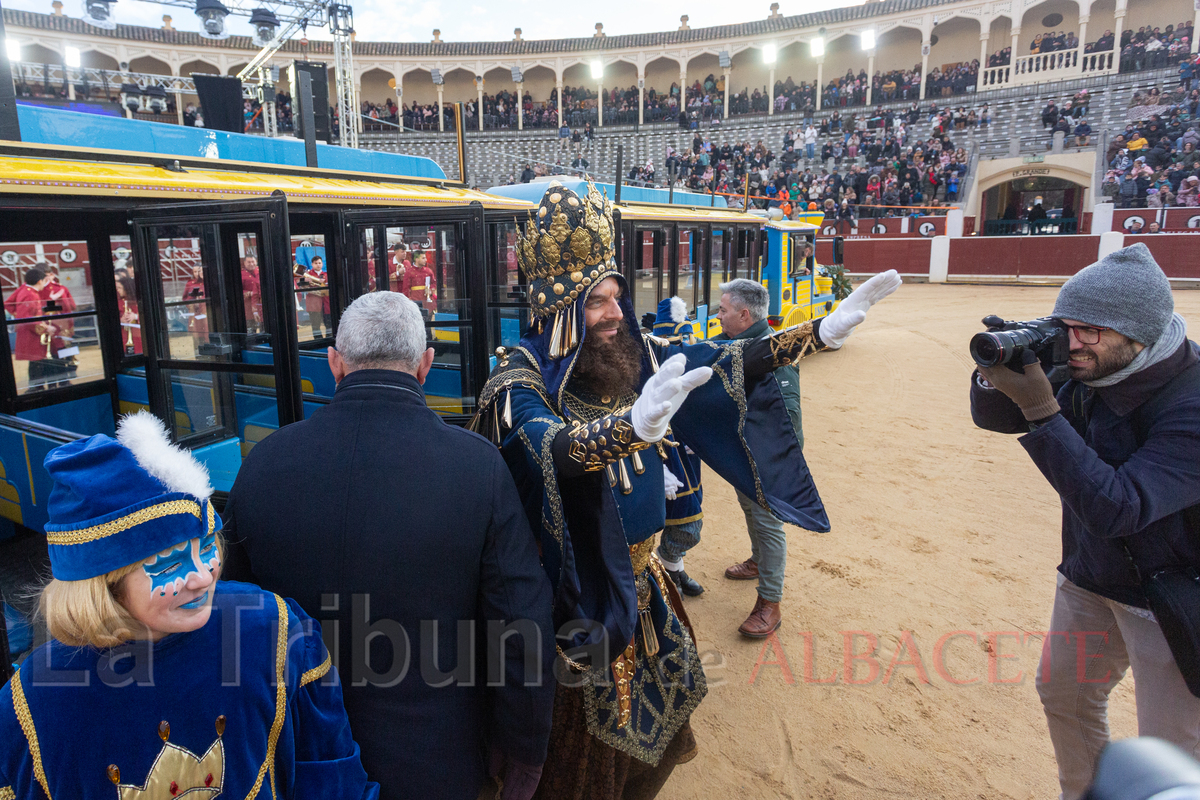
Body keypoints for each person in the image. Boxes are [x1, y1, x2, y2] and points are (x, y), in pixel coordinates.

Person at [471, 181, 900, 799]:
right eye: (597, 301)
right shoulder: (520, 370)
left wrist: (815, 335)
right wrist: (628, 430)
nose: (616, 312)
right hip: (576, 601)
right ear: (561, 307)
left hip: (648, 586)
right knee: (575, 765)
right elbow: (542, 443)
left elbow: (715, 361)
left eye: (617, 294)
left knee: (662, 734)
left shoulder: (633, 350)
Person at [221, 291, 555, 800]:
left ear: (334, 363)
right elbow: (519, 621)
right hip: (437, 760)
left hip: (295, 756)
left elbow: (236, 613)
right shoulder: (478, 466)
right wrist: (525, 744)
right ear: (425, 365)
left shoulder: (263, 463)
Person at [0, 411, 378, 799]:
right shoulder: (32, 701)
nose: (203, 576)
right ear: (102, 586)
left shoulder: (274, 628)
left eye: (209, 546)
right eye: (169, 563)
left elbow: (332, 776)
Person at [970, 244, 1200, 800]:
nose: (1073, 343)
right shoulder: (1093, 362)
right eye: (1065, 326)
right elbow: (994, 416)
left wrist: (1042, 408)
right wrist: (994, 373)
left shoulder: (1192, 402)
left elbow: (1118, 507)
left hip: (1172, 594)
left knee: (1174, 749)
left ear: (1139, 334)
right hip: (1091, 575)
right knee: (1066, 698)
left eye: (1090, 331)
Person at [713, 279, 809, 636]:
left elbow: (788, 415)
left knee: (769, 524)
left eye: (723, 310)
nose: (717, 316)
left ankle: (770, 603)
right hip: (742, 451)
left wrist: (776, 464)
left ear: (743, 313)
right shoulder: (736, 343)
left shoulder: (773, 351)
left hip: (767, 457)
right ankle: (758, 561)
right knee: (749, 509)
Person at [4, 267, 66, 391]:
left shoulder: (26, 291)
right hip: (32, 334)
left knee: (36, 361)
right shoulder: (30, 294)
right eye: (45, 279)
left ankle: (39, 386)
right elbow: (27, 318)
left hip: (32, 332)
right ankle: (37, 387)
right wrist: (45, 327)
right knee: (37, 361)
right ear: (39, 281)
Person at [400, 250, 437, 314]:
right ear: (417, 259)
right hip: (415, 300)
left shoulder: (428, 271)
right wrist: (408, 300)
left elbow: (433, 283)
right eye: (423, 258)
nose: (425, 260)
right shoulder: (409, 272)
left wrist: (431, 290)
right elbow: (406, 288)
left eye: (425, 258)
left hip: (427, 301)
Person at [303, 255, 332, 338]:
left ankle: (328, 342)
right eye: (316, 263)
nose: (318, 265)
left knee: (329, 325)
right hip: (314, 305)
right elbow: (302, 287)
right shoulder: (307, 275)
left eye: (319, 263)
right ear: (312, 264)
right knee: (315, 326)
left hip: (326, 304)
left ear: (322, 264)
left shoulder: (327, 275)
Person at [182, 263, 209, 350]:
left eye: (199, 271)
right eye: (195, 272)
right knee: (196, 332)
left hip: (206, 312)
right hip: (195, 313)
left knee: (207, 331)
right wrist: (190, 305)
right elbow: (185, 298)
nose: (197, 273)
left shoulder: (208, 283)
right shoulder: (190, 283)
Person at [241, 254, 262, 334]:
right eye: (249, 262)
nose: (251, 264)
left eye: (253, 261)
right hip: (248, 308)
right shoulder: (241, 274)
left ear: (256, 262)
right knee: (251, 331)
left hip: (260, 306)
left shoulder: (260, 272)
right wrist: (247, 293)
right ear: (245, 263)